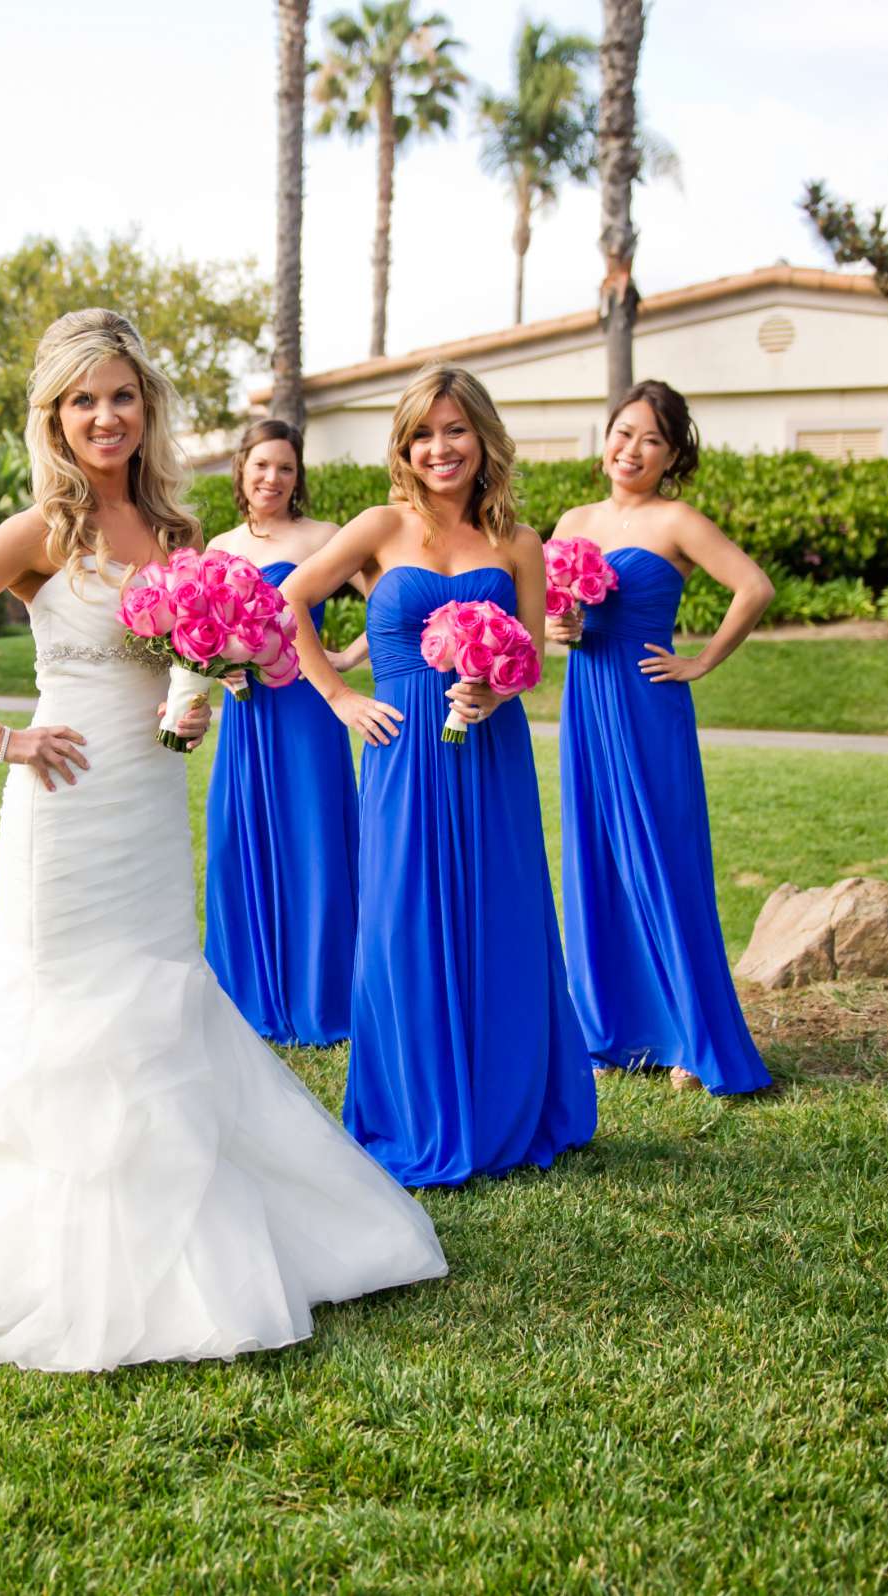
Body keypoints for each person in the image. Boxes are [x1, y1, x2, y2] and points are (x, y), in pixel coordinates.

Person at [0, 310, 446, 1373]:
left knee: (159, 996)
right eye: (81, 401)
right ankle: (39, 1236)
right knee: (58, 1001)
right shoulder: (39, 531)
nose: (103, 416)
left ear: (145, 407)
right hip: (64, 804)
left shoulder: (176, 535)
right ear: (54, 419)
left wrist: (195, 705)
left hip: (153, 800)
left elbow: (182, 675)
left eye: (119, 396)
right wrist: (0, 737)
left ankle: (189, 1219)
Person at [279, 365, 596, 1186]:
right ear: (405, 446)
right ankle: (415, 1107)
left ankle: (505, 1106)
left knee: (502, 917)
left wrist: (496, 688)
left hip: (491, 755)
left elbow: (529, 659)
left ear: (483, 437)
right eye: (422, 433)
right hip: (402, 751)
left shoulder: (518, 544)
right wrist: (341, 696)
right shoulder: (380, 526)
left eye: (454, 429)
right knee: (401, 922)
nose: (439, 447)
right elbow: (287, 604)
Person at [549, 380, 776, 1095]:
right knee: (596, 855)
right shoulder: (573, 517)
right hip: (587, 702)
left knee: (663, 858)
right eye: (623, 432)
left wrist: (701, 660)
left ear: (671, 453)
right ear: (605, 437)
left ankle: (690, 1032)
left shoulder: (677, 520)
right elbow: (549, 617)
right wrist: (559, 630)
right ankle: (609, 1028)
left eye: (651, 439)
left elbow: (755, 587)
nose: (632, 449)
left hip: (649, 705)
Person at [200, 419, 368, 1046]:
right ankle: (246, 991)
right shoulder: (218, 547)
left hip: (307, 711)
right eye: (262, 465)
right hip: (246, 713)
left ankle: (322, 992)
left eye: (286, 468)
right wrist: (216, 669)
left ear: (299, 477)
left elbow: (395, 601)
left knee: (315, 839)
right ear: (242, 469)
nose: (273, 478)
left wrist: (348, 656)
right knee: (237, 839)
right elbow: (199, 636)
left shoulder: (325, 537)